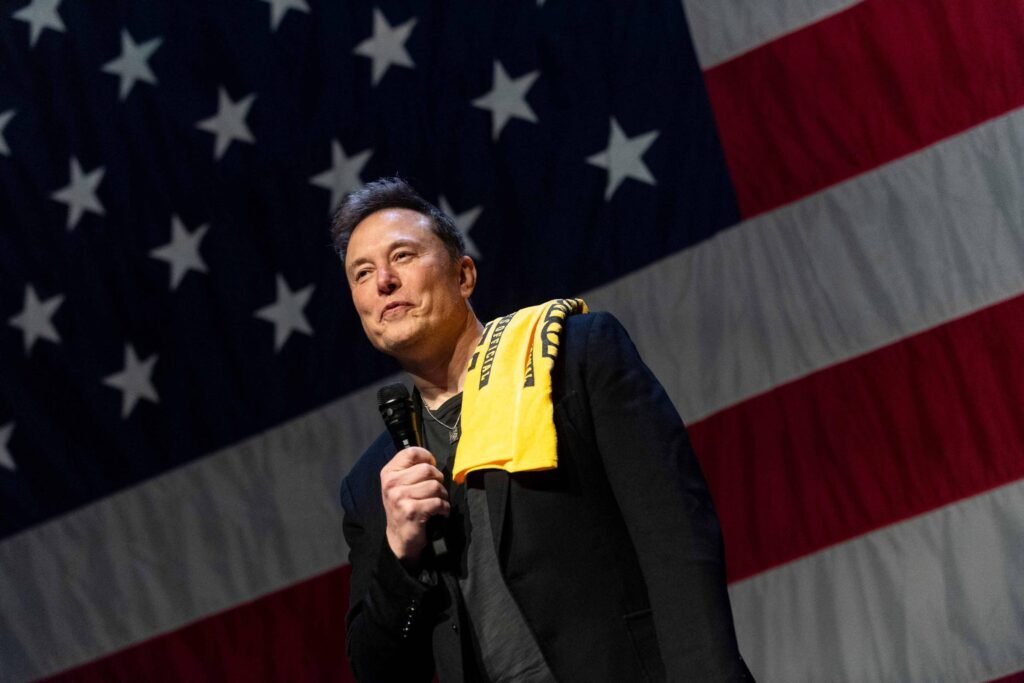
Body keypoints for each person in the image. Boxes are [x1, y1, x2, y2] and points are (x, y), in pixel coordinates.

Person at [334, 177, 753, 682]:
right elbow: (376, 670)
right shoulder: (373, 485)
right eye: (362, 273)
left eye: (402, 256)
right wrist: (399, 554)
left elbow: (676, 541)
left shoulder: (572, 358)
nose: (383, 281)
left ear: (463, 275)